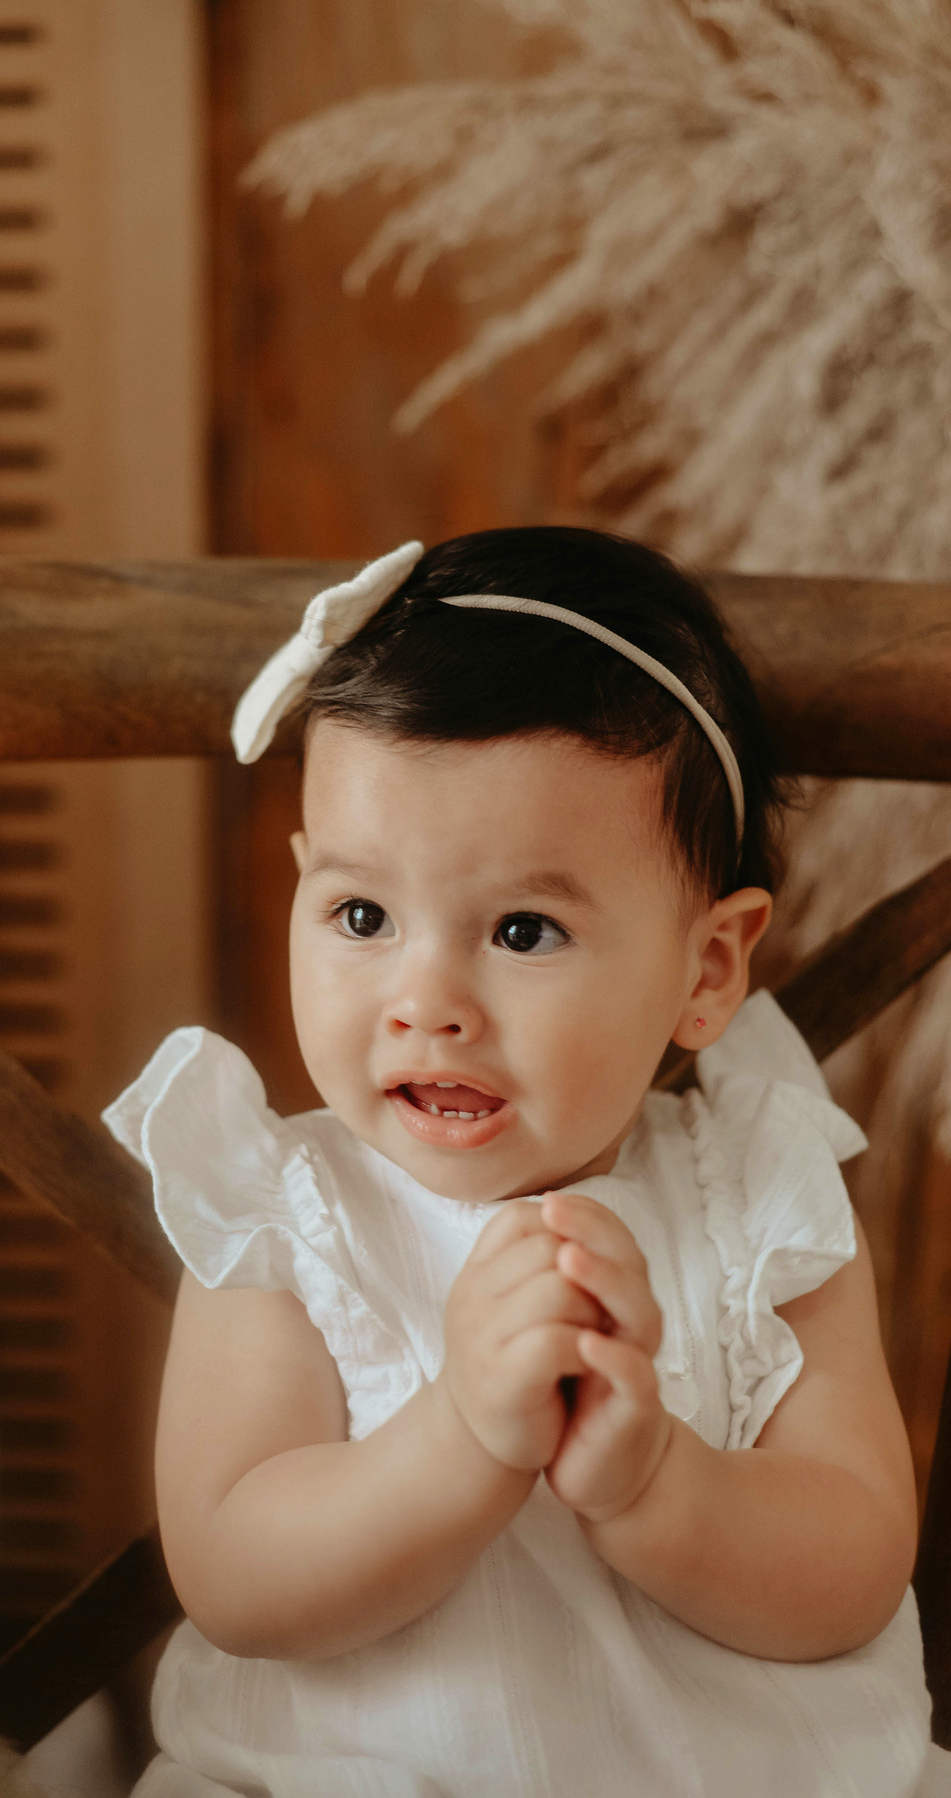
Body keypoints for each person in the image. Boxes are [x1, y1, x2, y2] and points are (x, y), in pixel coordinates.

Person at [105, 528, 951, 1796]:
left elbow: (856, 1561)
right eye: (361, 914)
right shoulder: (285, 1212)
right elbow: (236, 1578)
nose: (425, 1002)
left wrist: (659, 1484)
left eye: (522, 930)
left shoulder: (762, 1200)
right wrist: (461, 1435)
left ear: (708, 968)